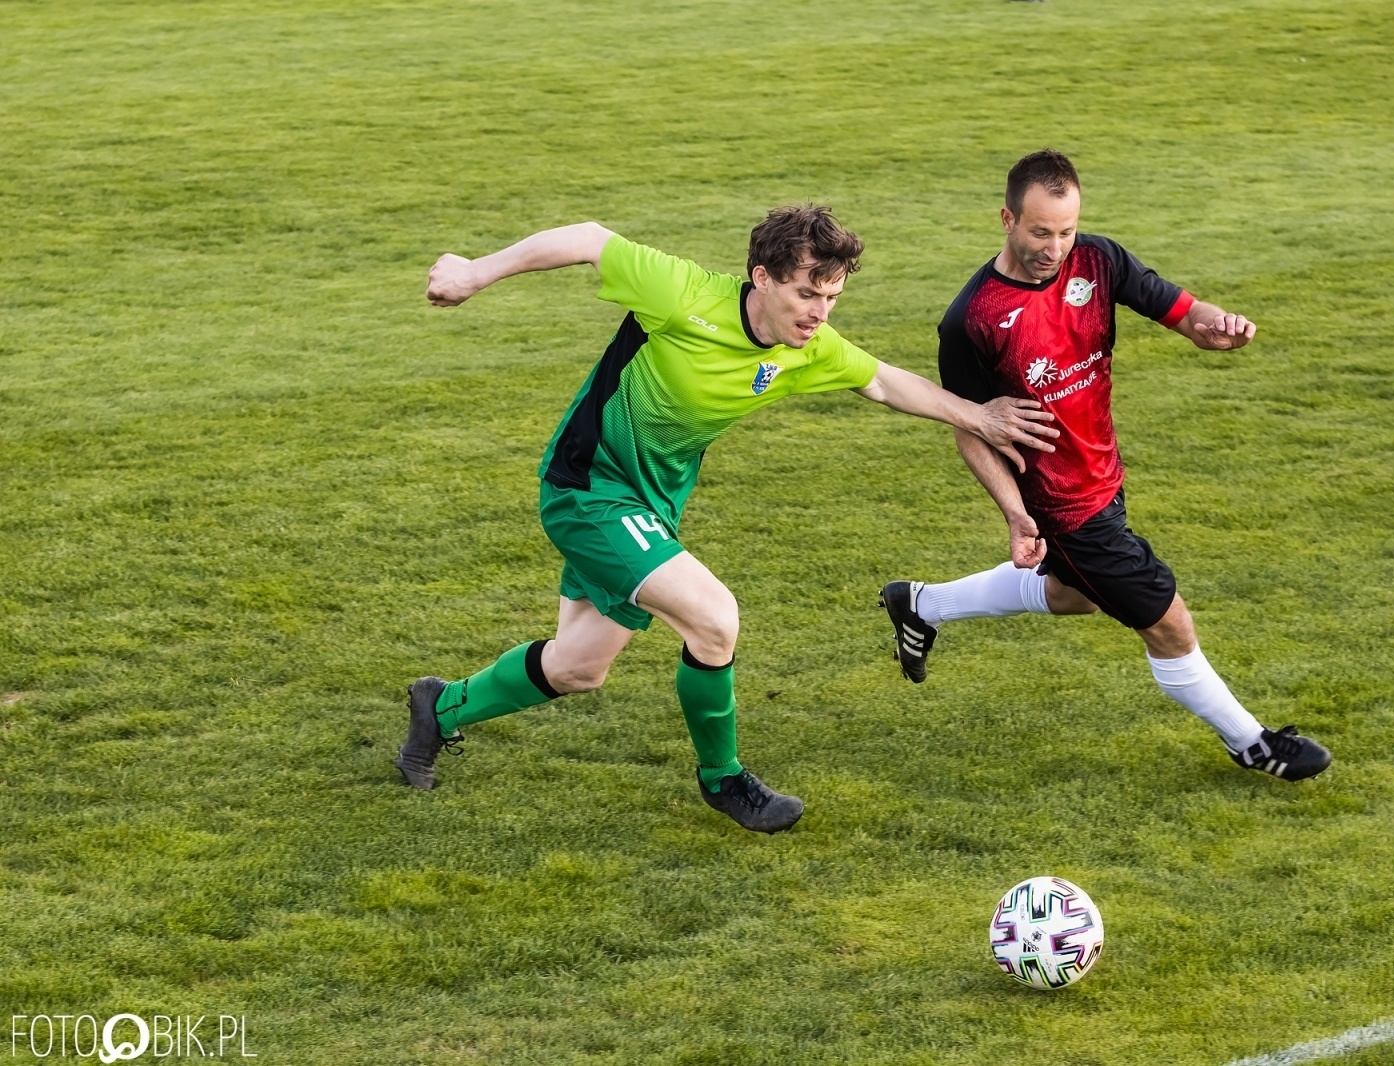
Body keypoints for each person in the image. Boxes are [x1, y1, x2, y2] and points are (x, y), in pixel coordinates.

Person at [397, 205, 1060, 832]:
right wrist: (475, 272)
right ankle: (724, 779)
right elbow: (590, 240)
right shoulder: (683, 294)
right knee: (715, 620)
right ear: (762, 279)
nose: (819, 314)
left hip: (649, 507)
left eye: (831, 298)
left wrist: (979, 416)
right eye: (806, 294)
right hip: (588, 492)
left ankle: (441, 706)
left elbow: (881, 380)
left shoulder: (807, 347)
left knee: (578, 667)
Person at [879, 150, 1332, 781]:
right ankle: (1251, 742)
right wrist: (1016, 514)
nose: (1055, 247)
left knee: (1071, 596)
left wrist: (1214, 327)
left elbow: (1180, 311)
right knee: (1167, 621)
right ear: (1006, 219)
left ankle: (921, 604)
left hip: (1103, 473)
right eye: (1040, 232)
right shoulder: (974, 319)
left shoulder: (1098, 259)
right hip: (1062, 507)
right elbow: (971, 430)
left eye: (1065, 231)